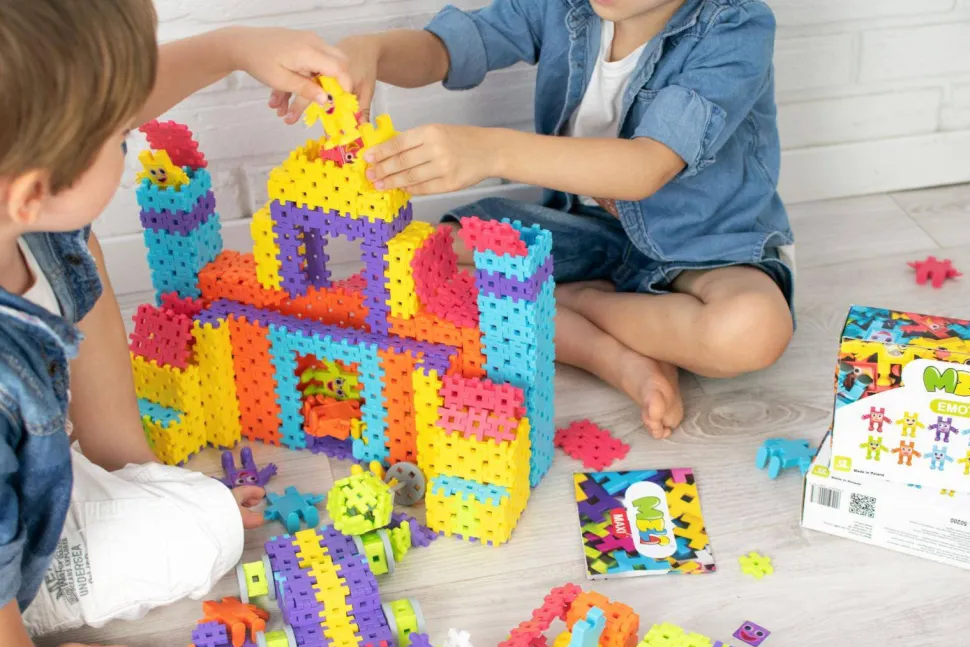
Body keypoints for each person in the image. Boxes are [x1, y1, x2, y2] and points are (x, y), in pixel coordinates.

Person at [0, 1, 351, 645]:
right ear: (32, 191)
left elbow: (96, 101)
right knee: (199, 539)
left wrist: (232, 48)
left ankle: (120, 466)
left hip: (30, 481)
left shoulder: (33, 213)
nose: (131, 133)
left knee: (75, 251)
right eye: (120, 137)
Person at [337, 0, 795, 439]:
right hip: (581, 227)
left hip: (702, 247)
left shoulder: (735, 26)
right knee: (425, 263)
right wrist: (373, 51)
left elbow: (647, 166)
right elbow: (449, 47)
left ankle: (575, 300)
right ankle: (613, 358)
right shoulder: (563, 5)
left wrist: (489, 151)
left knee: (753, 329)